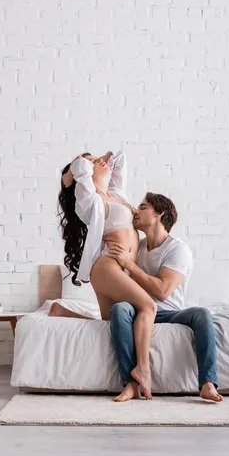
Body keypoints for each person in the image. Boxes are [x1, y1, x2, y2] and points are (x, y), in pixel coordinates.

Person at [57, 151, 157, 399]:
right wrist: (76, 172)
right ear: (86, 173)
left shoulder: (117, 194)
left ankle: (129, 385)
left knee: (114, 324)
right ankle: (143, 369)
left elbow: (122, 157)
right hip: (107, 267)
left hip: (118, 268)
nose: (103, 161)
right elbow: (79, 167)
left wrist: (101, 160)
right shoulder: (88, 199)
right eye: (95, 161)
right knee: (148, 306)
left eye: (101, 159)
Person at [107, 192, 224, 403]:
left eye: (143, 207)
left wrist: (129, 265)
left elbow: (162, 290)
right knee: (119, 309)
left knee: (202, 314)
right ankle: (130, 384)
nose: (136, 211)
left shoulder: (178, 249)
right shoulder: (137, 247)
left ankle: (207, 383)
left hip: (169, 312)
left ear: (159, 213)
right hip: (139, 309)